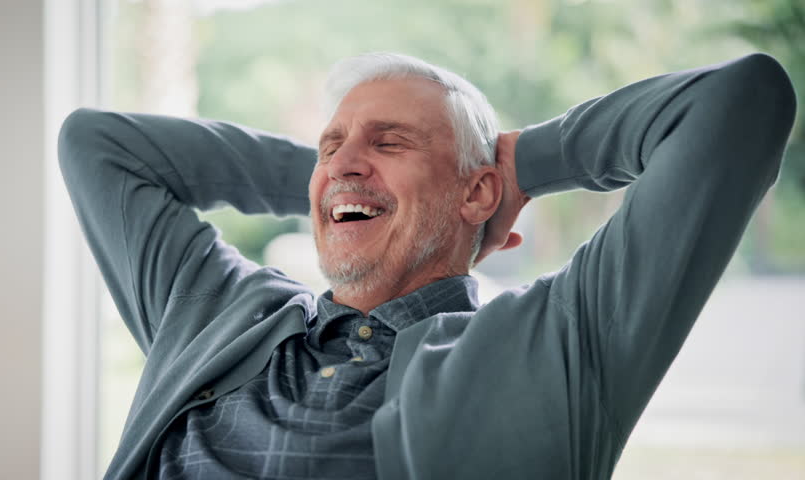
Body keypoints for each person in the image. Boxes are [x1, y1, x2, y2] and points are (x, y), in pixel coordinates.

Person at [58, 52, 796, 479]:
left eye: (389, 141)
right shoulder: (220, 314)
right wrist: (339, 183)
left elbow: (739, 103)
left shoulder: (556, 343)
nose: (345, 159)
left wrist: (521, 167)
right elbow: (97, 144)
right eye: (330, 143)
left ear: (478, 191)